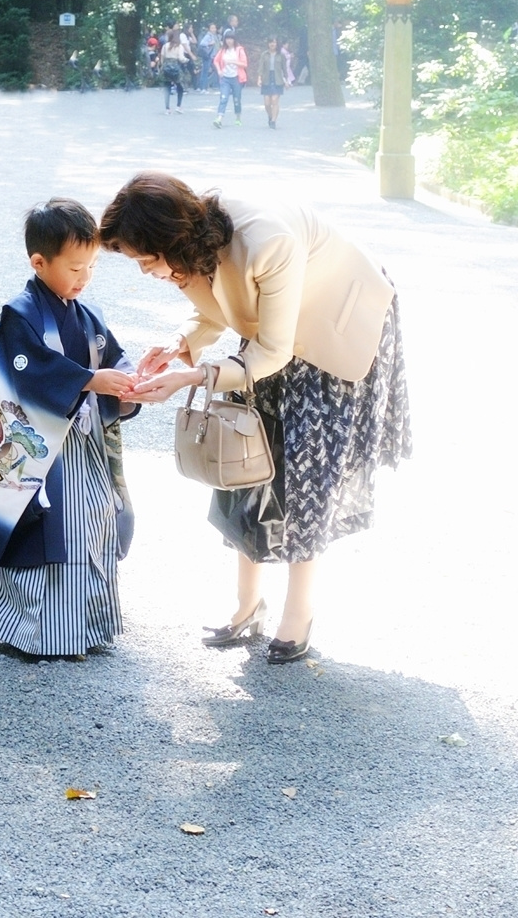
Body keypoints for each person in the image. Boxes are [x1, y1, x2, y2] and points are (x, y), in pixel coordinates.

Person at [101, 173, 411, 664]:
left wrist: (192, 378)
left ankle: (298, 612)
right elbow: (221, 301)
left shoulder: (267, 241)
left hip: (337, 327)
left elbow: (270, 350)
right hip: (275, 338)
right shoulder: (196, 239)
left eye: (145, 260)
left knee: (305, 472)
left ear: (171, 240)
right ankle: (247, 604)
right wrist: (182, 343)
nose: (143, 271)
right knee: (246, 460)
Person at [0, 199, 139, 659]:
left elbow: (112, 357)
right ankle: (45, 634)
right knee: (50, 529)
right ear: (39, 262)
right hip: (38, 453)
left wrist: (131, 382)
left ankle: (85, 628)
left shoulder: (86, 315)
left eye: (92, 266)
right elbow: (23, 374)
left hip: (82, 447)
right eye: (75, 267)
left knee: (92, 525)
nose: (85, 277)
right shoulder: (19, 316)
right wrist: (89, 381)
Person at [212, 33, 247, 128]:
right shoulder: (223, 50)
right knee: (223, 98)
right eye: (227, 39)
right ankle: (219, 118)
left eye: (231, 39)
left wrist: (232, 62)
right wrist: (219, 70)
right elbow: (216, 60)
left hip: (236, 78)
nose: (229, 41)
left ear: (234, 40)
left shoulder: (239, 50)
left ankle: (238, 117)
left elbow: (244, 64)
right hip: (225, 78)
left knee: (236, 99)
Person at [255, 37, 288, 129]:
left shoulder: (281, 55)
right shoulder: (264, 55)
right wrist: (259, 78)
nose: (272, 44)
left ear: (277, 44)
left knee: (274, 100)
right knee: (267, 103)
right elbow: (260, 68)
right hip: (267, 78)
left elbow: (285, 69)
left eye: (274, 42)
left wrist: (286, 81)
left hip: (277, 78)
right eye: (270, 42)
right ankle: (270, 116)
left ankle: (273, 120)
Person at [160, 26, 189, 114]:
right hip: (175, 67)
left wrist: (163, 66)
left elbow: (162, 57)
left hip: (166, 67)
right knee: (179, 87)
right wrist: (187, 60)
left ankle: (167, 109)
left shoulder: (165, 46)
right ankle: (178, 106)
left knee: (167, 88)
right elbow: (181, 58)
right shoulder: (179, 46)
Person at [197, 23, 220, 90]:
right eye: (212, 28)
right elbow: (202, 43)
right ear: (209, 29)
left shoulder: (214, 35)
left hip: (213, 56)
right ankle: (203, 87)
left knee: (216, 70)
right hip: (208, 56)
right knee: (205, 71)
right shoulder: (208, 35)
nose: (214, 29)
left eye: (214, 28)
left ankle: (213, 85)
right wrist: (210, 43)